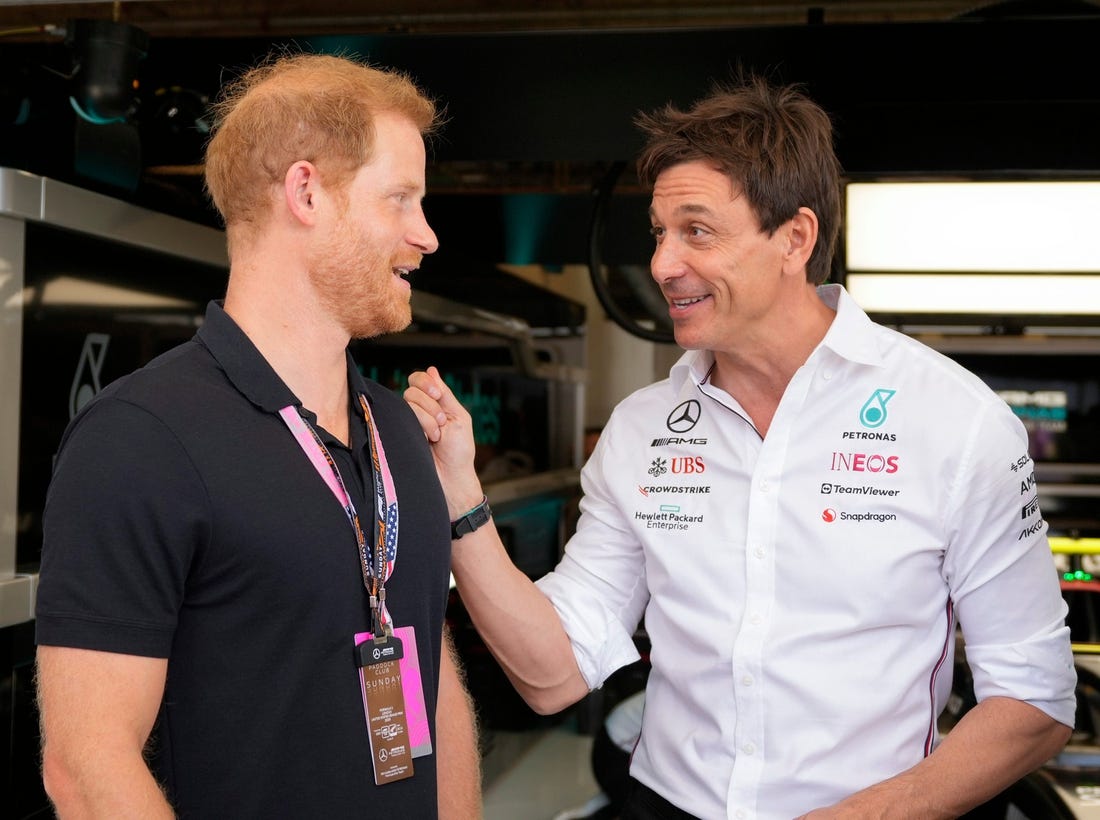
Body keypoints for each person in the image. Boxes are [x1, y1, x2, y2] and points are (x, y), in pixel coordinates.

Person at [405, 76, 1077, 819]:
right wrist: (462, 501)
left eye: (697, 230)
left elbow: (1035, 701)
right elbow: (552, 674)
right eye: (659, 232)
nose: (662, 264)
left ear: (795, 237)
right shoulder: (641, 430)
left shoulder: (957, 422)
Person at [35, 53, 480, 819]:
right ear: (306, 192)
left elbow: (427, 674)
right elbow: (86, 766)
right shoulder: (141, 438)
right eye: (401, 200)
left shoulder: (399, 432)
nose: (427, 236)